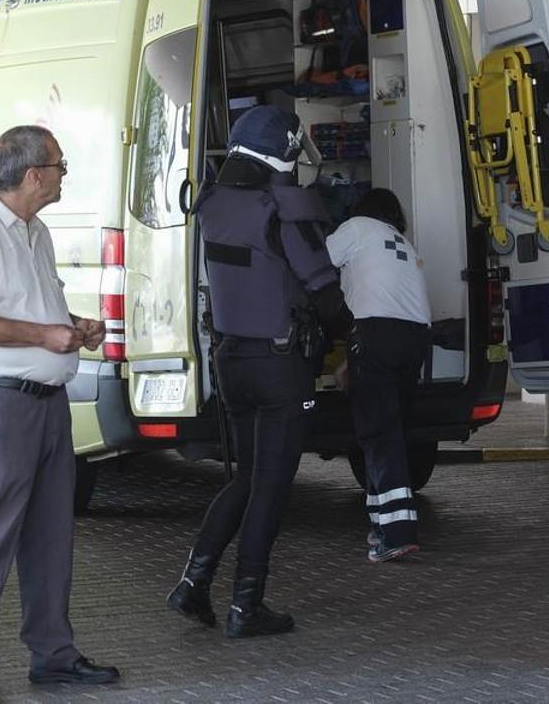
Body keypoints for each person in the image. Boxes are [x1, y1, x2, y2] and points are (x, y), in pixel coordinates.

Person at [167, 106, 350, 637]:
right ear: (285, 152)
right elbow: (323, 287)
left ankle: (193, 584)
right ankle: (247, 604)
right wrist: (348, 335)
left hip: (231, 361)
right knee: (269, 485)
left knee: (246, 477)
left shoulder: (212, 202)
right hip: (278, 364)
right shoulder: (283, 206)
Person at [0, 126, 121, 691]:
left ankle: (53, 655)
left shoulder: (36, 230)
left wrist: (73, 329)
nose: (64, 174)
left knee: (50, 535)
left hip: (48, 407)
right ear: (32, 175)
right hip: (5, 406)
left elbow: (32, 308)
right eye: (60, 166)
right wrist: (43, 338)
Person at [327, 188, 431, 562]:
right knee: (388, 432)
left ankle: (398, 532)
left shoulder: (356, 229)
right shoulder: (403, 242)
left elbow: (315, 265)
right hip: (415, 338)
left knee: (378, 434)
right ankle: (380, 525)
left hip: (376, 336)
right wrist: (349, 363)